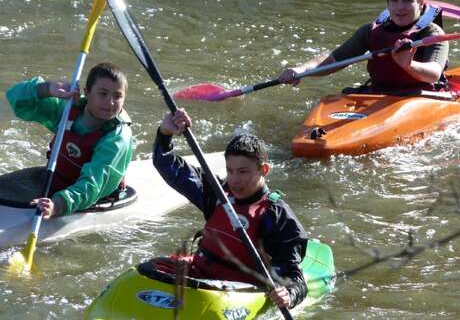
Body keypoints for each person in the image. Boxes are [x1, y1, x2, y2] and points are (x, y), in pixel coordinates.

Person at [152, 108, 308, 309]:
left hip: (238, 290)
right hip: (199, 273)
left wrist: (288, 293)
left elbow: (294, 277)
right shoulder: (216, 192)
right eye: (230, 170)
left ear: (264, 170)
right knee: (146, 272)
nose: (234, 180)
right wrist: (165, 133)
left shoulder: (277, 216)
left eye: (243, 172)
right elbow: (167, 165)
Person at [279, 0, 449, 93]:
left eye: (407, 0)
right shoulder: (371, 31)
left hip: (420, 95)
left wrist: (408, 65)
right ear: (387, 3)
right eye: (394, 0)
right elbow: (333, 60)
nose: (399, 7)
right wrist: (299, 70)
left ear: (420, 3)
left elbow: (434, 74)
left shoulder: (433, 33)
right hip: (379, 94)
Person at [6, 62, 133, 219]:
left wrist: (57, 205)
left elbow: (92, 186)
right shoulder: (68, 110)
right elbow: (15, 98)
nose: (110, 102)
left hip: (89, 193)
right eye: (103, 93)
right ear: (87, 93)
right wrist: (47, 89)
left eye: (117, 96)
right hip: (54, 179)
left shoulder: (117, 137)